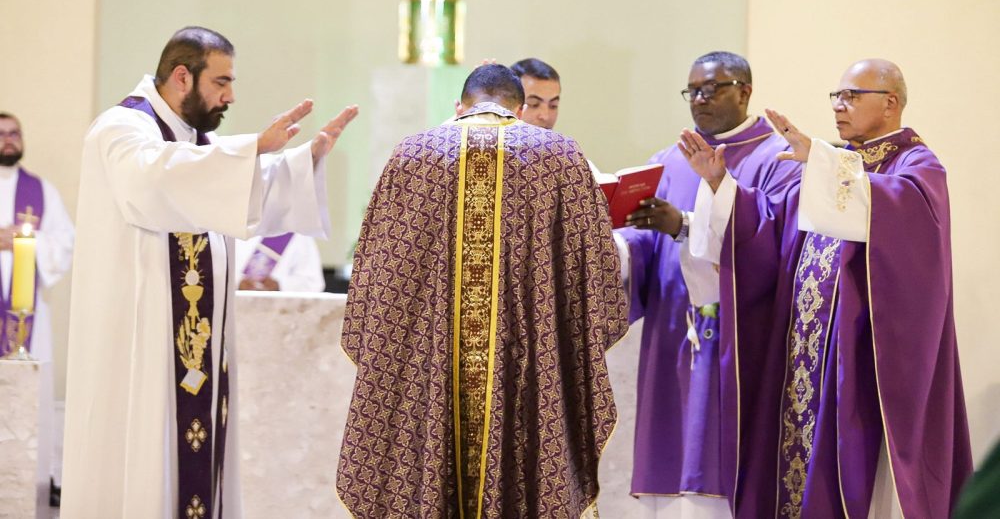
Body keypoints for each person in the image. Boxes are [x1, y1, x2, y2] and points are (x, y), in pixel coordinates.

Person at [61, 26, 358, 518]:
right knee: (145, 461)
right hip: (141, 345)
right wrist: (249, 150)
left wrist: (301, 162)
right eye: (222, 82)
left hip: (194, 350)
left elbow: (233, 191)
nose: (230, 96)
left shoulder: (196, 141)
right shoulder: (122, 129)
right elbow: (156, 180)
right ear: (182, 76)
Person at [679, 58, 972, 517]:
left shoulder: (915, 164)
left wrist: (822, 161)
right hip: (804, 357)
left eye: (853, 96)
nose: (839, 105)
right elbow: (767, 229)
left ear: (891, 102)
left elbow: (905, 219)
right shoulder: (828, 165)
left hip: (863, 362)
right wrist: (720, 182)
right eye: (836, 96)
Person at [337, 64, 627, 518]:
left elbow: (373, 286)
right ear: (519, 107)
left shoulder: (412, 156)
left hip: (431, 377)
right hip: (527, 376)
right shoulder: (560, 157)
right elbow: (600, 280)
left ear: (460, 107)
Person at [616, 52, 800, 517]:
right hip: (672, 337)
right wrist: (614, 241)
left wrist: (685, 224)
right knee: (671, 468)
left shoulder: (777, 159)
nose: (699, 99)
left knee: (722, 466)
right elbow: (642, 247)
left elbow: (775, 246)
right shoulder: (669, 161)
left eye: (712, 88)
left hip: (738, 345)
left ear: (745, 91)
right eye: (692, 90)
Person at [0, 112, 75, 502]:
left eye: (15, 133)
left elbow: (64, 242)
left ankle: (35, 475)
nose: (9, 140)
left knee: (32, 388)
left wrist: (27, 244)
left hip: (28, 314)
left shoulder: (42, 191)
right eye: (1, 134)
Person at [235, 233, 325, 292]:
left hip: (280, 312)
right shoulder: (228, 227)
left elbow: (313, 283)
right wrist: (237, 283)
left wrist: (280, 285)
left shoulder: (298, 233)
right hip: (231, 307)